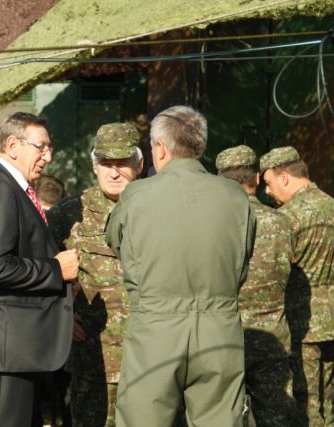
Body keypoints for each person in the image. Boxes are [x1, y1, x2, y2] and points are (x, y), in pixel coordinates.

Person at [105, 105, 256, 427]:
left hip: (155, 327)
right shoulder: (235, 196)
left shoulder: (137, 195)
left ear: (160, 148)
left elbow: (115, 240)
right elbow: (243, 257)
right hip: (219, 328)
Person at [0, 112, 79, 427]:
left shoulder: (6, 185)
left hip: (11, 347)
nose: (48, 156)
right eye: (41, 147)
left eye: (49, 147)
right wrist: (56, 270)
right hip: (1, 348)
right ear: (12, 145)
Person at [47, 123, 143, 427]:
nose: (113, 172)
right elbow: (40, 270)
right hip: (92, 357)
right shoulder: (67, 214)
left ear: (139, 165)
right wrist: (60, 315)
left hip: (149, 354)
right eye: (105, 163)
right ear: (94, 166)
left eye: (122, 163)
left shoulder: (157, 210)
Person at [216, 145, 295, 426]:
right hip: (272, 337)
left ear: (219, 180)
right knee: (276, 417)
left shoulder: (211, 223)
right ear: (257, 178)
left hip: (223, 337)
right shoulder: (282, 223)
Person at [259, 146, 334, 426]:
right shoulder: (331, 205)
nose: (267, 191)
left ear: (284, 177)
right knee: (328, 401)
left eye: (269, 183)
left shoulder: (287, 219)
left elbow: (274, 272)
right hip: (331, 320)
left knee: (305, 404)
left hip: (302, 323)